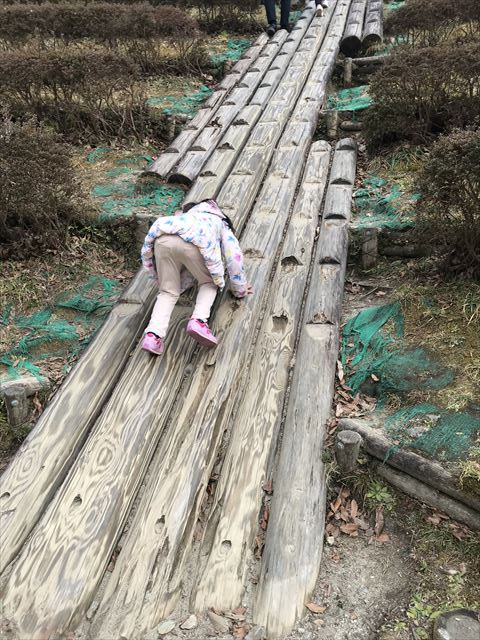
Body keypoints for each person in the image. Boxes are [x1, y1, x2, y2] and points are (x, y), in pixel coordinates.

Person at [140, 199, 250, 355]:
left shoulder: (183, 217)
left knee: (168, 292)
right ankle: (198, 321)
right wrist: (239, 288)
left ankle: (153, 336)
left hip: (162, 240)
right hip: (196, 243)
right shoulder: (219, 221)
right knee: (209, 282)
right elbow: (234, 256)